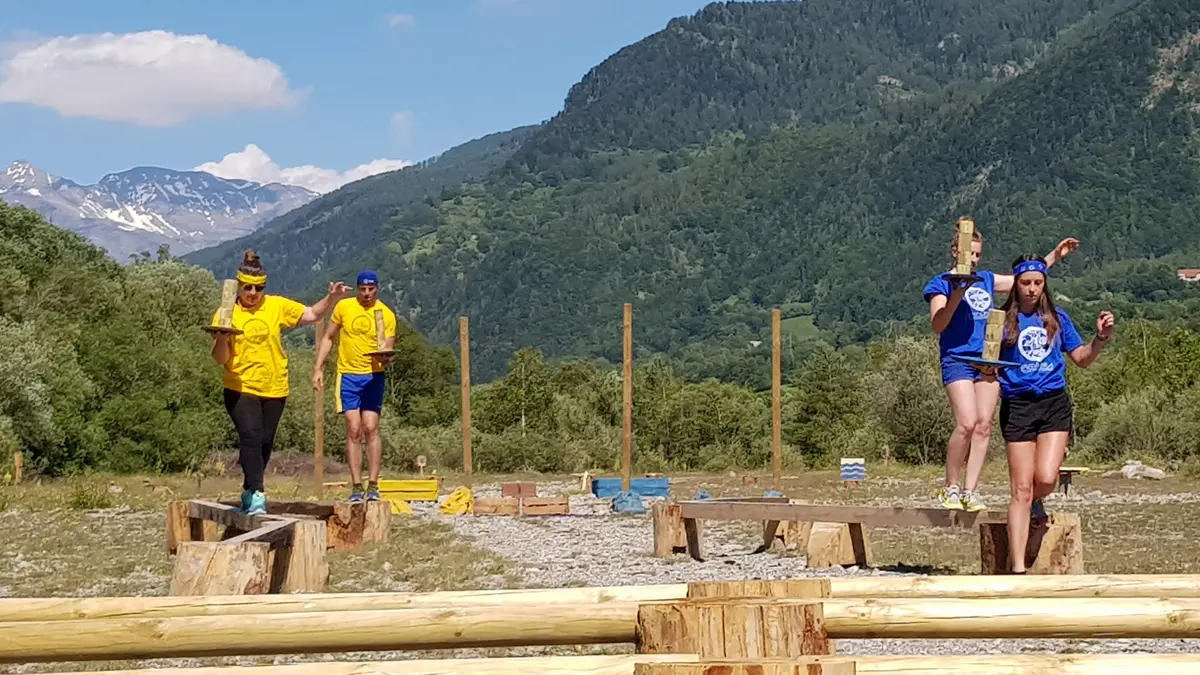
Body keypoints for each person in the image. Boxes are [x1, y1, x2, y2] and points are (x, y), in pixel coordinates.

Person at [923, 218, 1078, 511]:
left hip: (987, 360)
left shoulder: (987, 279)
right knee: (966, 422)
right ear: (956, 251)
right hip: (957, 358)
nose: (974, 259)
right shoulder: (941, 282)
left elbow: (1026, 278)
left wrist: (1054, 256)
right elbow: (938, 324)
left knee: (983, 425)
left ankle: (971, 490)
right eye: (970, 253)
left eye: (978, 255)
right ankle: (951, 487)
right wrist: (957, 293)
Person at [995, 254, 1114, 573]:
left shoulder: (1057, 318)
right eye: (1025, 283)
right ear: (1015, 285)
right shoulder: (1002, 320)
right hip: (1018, 404)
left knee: (1046, 478)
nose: (1032, 289)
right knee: (1020, 488)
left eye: (1037, 283)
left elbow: (1082, 358)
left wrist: (1100, 338)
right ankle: (1017, 567)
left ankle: (1034, 504)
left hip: (1053, 403)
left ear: (1044, 284)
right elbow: (985, 364)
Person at [209, 250, 348, 515]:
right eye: (247, 287)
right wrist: (223, 338)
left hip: (275, 385)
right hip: (240, 385)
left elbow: (311, 315)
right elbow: (219, 359)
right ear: (238, 286)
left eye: (258, 288)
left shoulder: (275, 305)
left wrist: (331, 298)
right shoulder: (226, 313)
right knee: (249, 435)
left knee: (264, 441)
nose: (252, 293)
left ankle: (249, 491)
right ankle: (258, 493)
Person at [313, 270, 397, 503]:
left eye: (371, 289)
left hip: (373, 375)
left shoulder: (386, 314)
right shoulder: (344, 307)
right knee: (353, 428)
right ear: (358, 288)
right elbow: (328, 337)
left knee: (371, 427)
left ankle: (373, 483)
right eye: (363, 289)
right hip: (348, 374)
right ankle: (356, 485)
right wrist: (318, 367)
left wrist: (386, 357)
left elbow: (388, 347)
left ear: (377, 289)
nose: (367, 294)